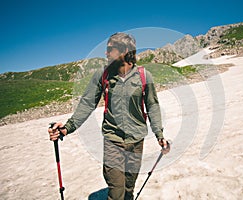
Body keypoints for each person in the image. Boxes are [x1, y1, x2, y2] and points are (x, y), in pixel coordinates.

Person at [48, 32, 169, 200]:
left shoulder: (143, 76)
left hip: (136, 140)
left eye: (110, 49)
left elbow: (152, 106)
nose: (106, 53)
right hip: (113, 141)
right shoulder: (102, 75)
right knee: (116, 190)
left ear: (125, 51)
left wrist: (159, 134)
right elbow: (87, 103)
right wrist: (68, 127)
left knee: (129, 187)